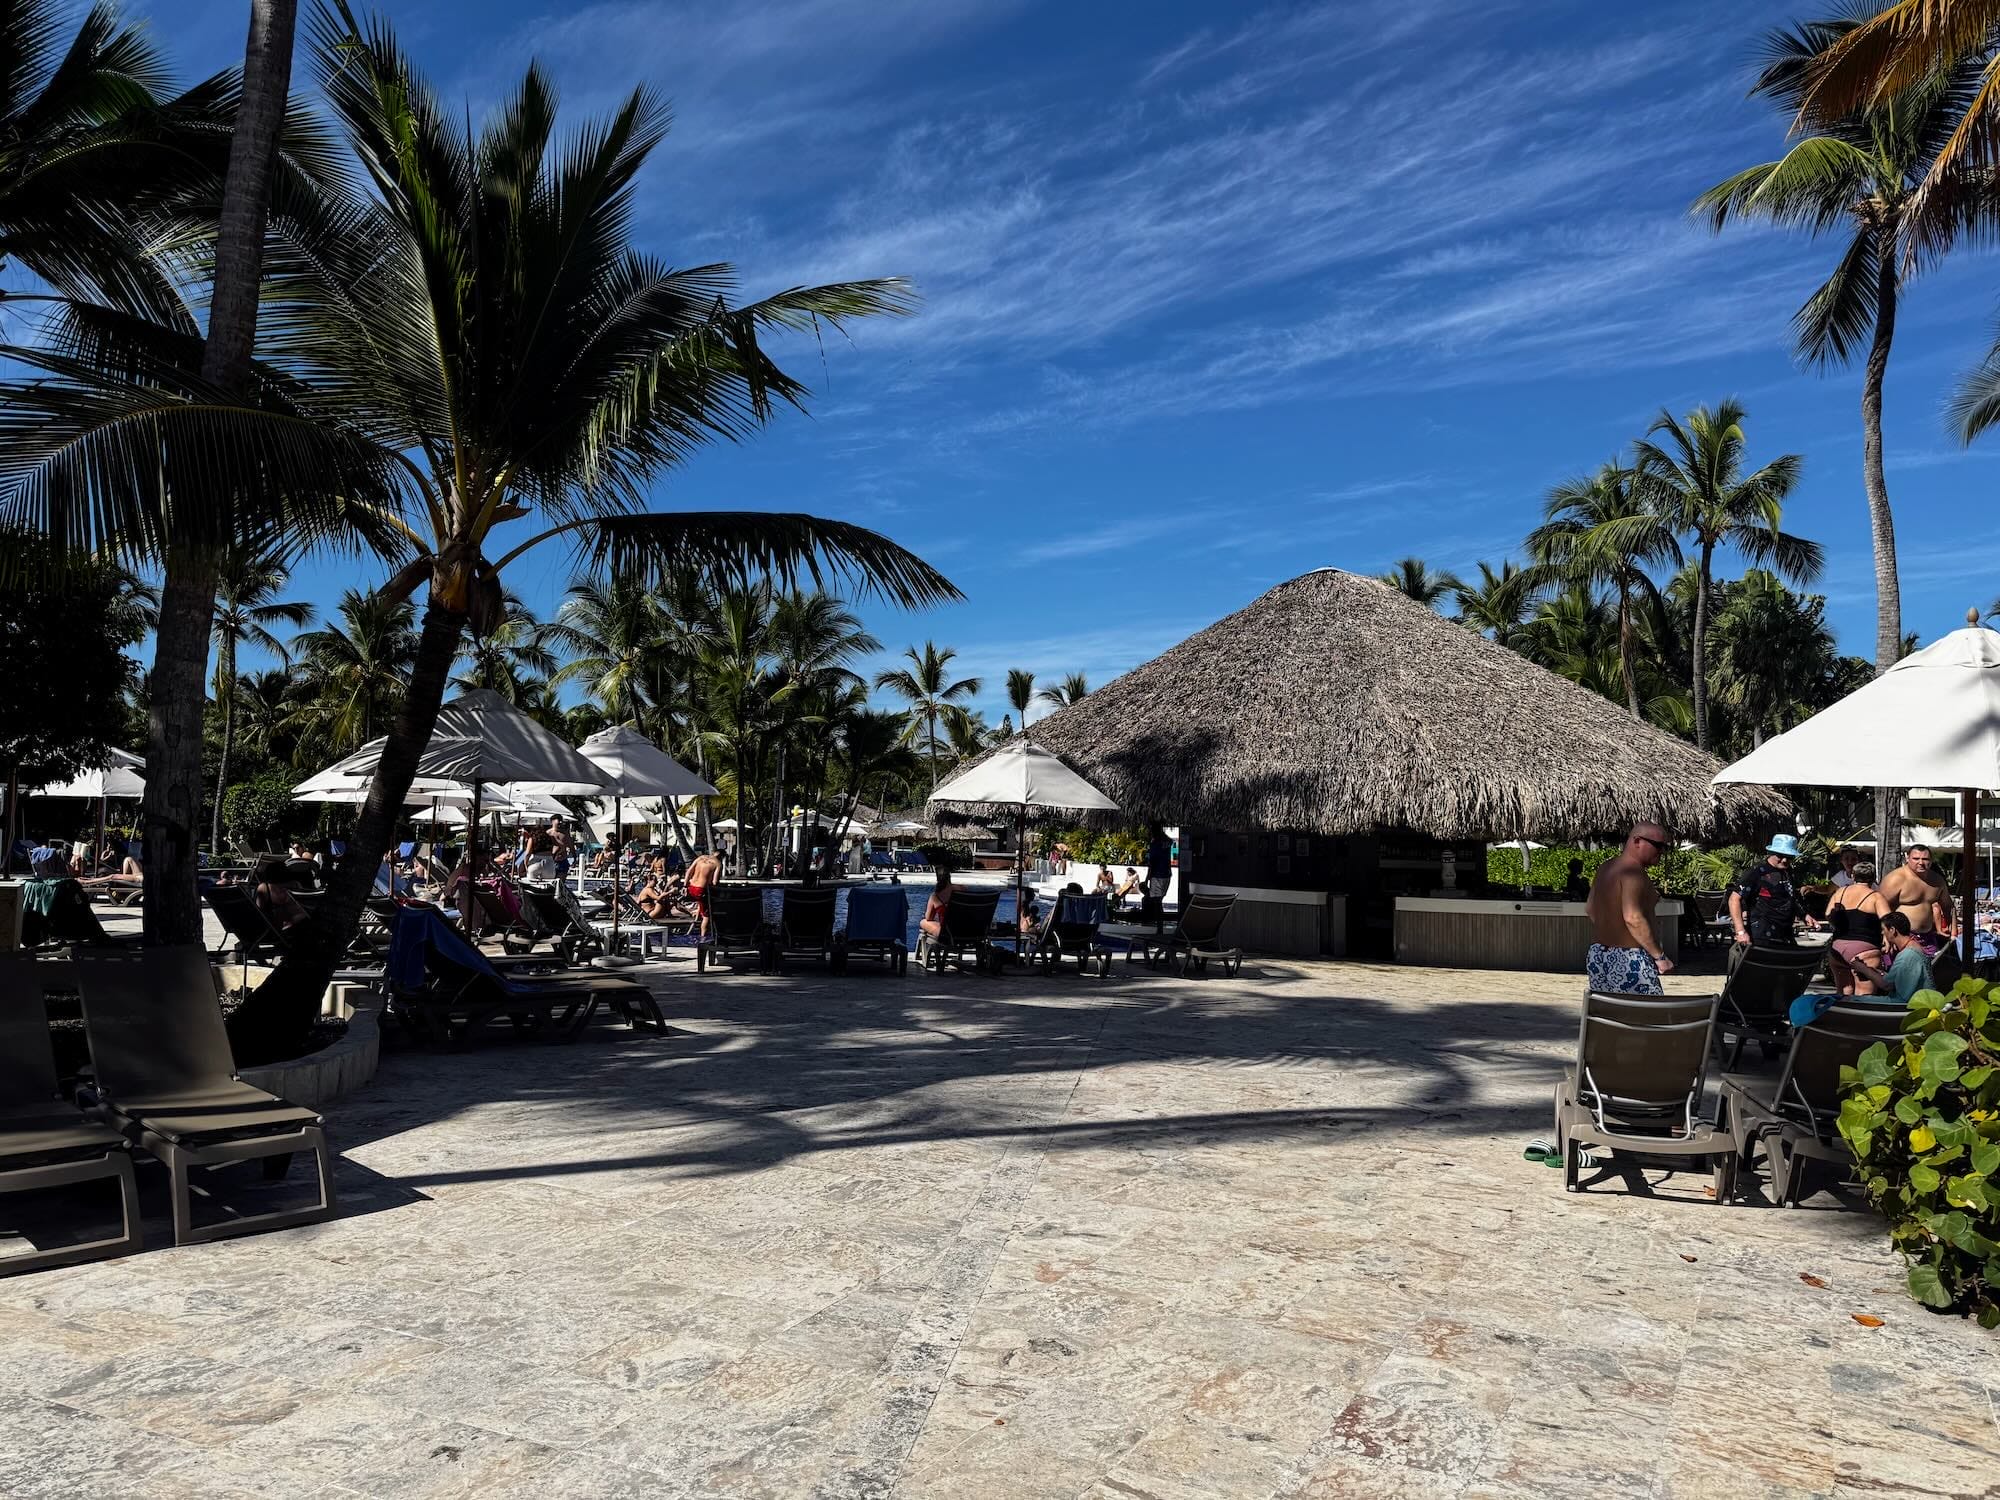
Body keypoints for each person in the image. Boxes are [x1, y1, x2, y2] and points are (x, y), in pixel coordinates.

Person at [1583, 822, 1676, 993]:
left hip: (1598, 954)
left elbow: (1590, 908)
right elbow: (1633, 918)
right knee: (1649, 1010)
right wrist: (1659, 956)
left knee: (1610, 1008)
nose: (1661, 851)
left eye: (1665, 847)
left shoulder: (1606, 868)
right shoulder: (1633, 872)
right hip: (1630, 959)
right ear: (1637, 841)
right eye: (1658, 845)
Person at [1797, 912, 1933, 1023]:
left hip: (1901, 1006)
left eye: (1884, 930)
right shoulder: (1915, 948)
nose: (1882, 933)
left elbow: (1886, 985)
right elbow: (1898, 978)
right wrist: (1875, 971)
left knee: (1847, 1000)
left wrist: (1862, 968)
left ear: (1892, 930)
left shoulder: (1907, 954)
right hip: (1911, 1002)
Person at [1727, 834, 1816, 948]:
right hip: (1762, 934)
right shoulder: (1757, 872)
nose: (1784, 860)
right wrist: (1740, 931)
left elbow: (1791, 896)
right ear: (1771, 853)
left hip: (1785, 933)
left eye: (1789, 857)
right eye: (1780, 856)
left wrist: (1804, 915)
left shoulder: (1788, 872)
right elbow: (1734, 899)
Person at [1824, 860, 1891, 995]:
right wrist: (1887, 939)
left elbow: (1828, 914)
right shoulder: (1875, 897)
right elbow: (1888, 920)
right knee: (1864, 996)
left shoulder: (1840, 892)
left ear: (1853, 876)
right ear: (1873, 878)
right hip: (1865, 949)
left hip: (1838, 947)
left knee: (1843, 993)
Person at [1879, 843, 1955, 960]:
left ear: (1931, 861)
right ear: (1907, 858)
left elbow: (1948, 907)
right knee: (1903, 970)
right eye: (1916, 858)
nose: (1921, 862)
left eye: (1925, 859)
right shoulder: (1895, 879)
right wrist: (1886, 936)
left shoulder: (1937, 881)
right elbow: (1880, 907)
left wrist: (1953, 933)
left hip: (1928, 938)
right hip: (1900, 937)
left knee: (1929, 970)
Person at [1142, 824, 1173, 933]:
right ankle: (1159, 926)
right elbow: (1170, 840)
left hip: (1157, 876)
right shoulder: (1166, 843)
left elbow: (1152, 864)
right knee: (1158, 901)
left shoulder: (1155, 844)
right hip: (1166, 875)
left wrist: (1147, 879)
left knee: (1157, 903)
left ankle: (1159, 928)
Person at [685, 846, 722, 937]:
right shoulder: (717, 863)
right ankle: (703, 936)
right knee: (707, 915)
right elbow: (715, 882)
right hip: (701, 890)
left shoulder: (700, 858)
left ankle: (696, 918)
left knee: (702, 904)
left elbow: (689, 871)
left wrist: (685, 886)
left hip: (691, 888)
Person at [920, 866, 954, 939]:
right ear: (949, 877)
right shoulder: (962, 889)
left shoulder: (935, 896)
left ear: (938, 879)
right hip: (966, 929)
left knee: (923, 922)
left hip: (947, 933)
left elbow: (929, 918)